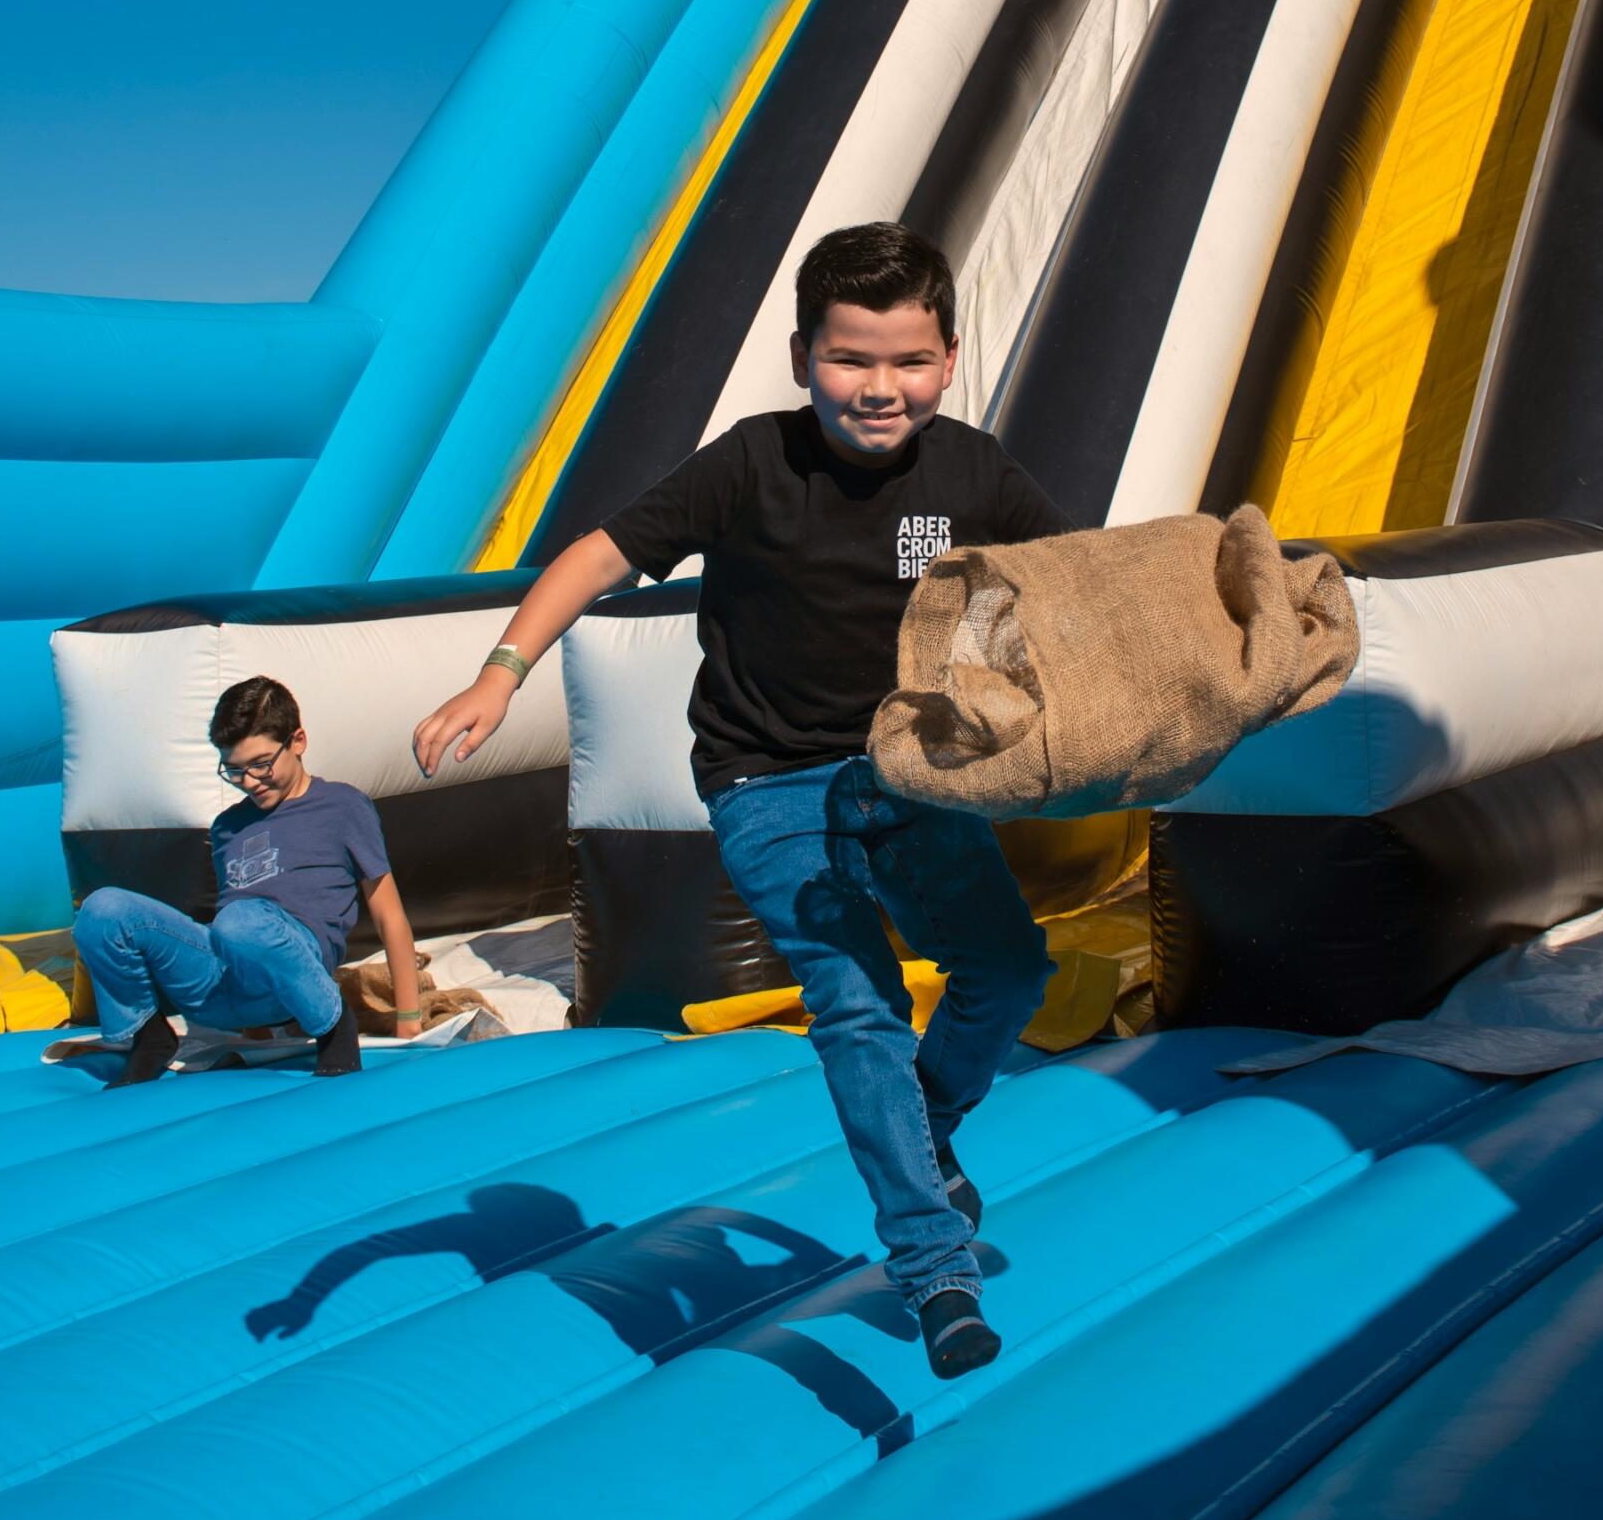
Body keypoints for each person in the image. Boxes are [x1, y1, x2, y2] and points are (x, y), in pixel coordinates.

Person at [413, 222, 1066, 1378]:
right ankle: (934, 1266)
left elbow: (1067, 584)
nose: (880, 387)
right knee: (855, 1001)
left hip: (908, 768)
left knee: (1010, 967)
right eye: (850, 359)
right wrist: (499, 672)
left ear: (951, 358)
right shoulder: (750, 464)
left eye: (909, 360)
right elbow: (599, 555)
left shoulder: (970, 473)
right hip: (767, 779)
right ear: (802, 353)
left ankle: (927, 1125)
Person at [74, 674, 422, 1087]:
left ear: (297, 741)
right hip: (220, 984)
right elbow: (229, 929)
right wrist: (256, 1042)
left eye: (261, 764)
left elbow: (389, 915)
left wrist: (409, 1019)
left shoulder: (343, 807)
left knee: (243, 921)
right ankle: (149, 1037)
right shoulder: (227, 827)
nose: (250, 781)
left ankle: (332, 1023)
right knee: (102, 909)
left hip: (293, 972)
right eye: (235, 770)